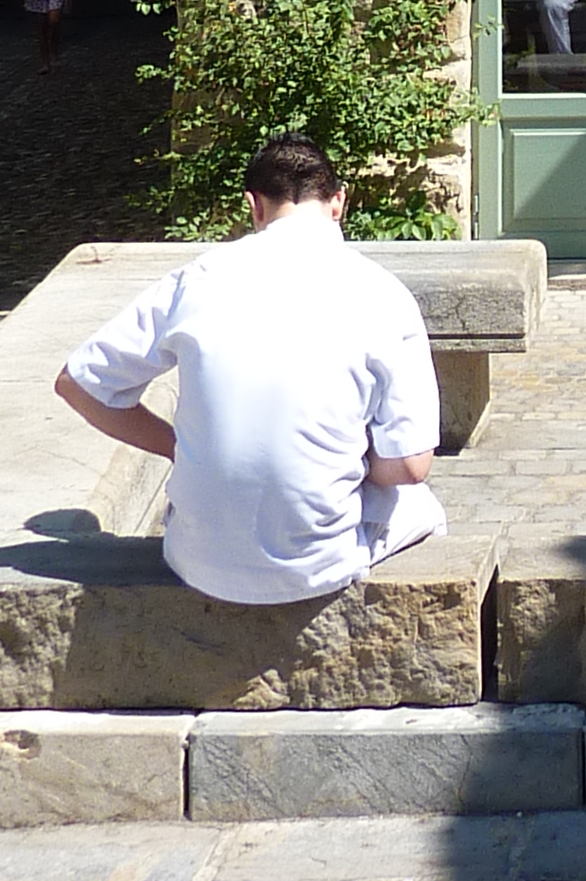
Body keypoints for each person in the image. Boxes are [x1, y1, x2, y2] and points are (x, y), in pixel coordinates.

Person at [54, 134, 444, 600]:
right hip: (320, 565)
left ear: (253, 206)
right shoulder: (385, 294)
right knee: (421, 505)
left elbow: (79, 383)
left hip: (196, 558)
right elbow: (410, 465)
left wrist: (178, 447)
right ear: (338, 202)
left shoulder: (196, 278)